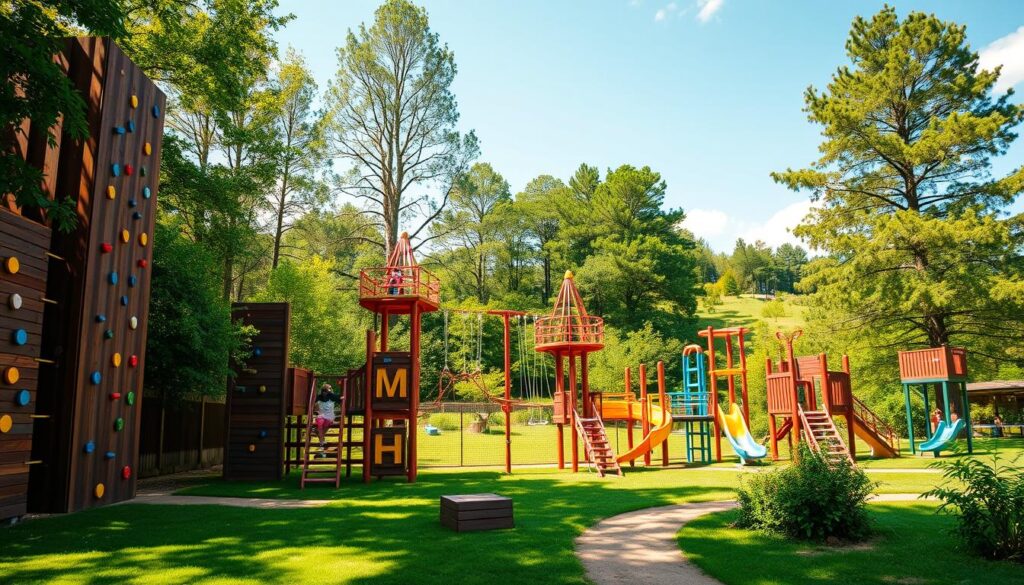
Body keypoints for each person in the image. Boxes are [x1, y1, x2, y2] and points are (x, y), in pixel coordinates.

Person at [314, 383, 340, 457]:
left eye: (328, 390)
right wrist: (316, 409)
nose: (326, 392)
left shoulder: (331, 396)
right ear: (323, 391)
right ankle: (322, 444)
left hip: (329, 417)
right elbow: (315, 404)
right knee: (320, 424)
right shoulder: (319, 398)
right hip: (322, 416)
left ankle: (322, 445)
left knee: (324, 427)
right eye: (325, 391)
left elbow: (338, 398)